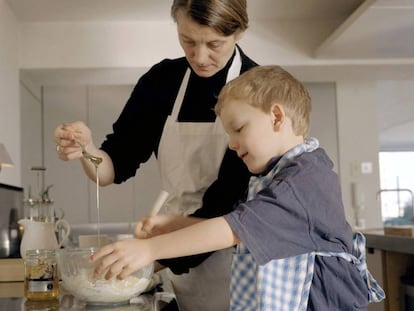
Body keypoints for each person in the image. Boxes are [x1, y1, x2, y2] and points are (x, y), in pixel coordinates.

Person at [91, 65, 385, 310]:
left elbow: (233, 229)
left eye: (239, 129)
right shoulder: (278, 173)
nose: (232, 144)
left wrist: (149, 249)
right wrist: (177, 224)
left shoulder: (303, 181)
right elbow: (244, 228)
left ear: (277, 117)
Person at [53, 1, 257, 310]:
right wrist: (87, 150)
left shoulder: (257, 89)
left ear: (239, 32)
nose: (200, 58)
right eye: (188, 40)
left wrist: (148, 256)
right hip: (176, 259)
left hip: (239, 259)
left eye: (214, 44)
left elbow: (226, 206)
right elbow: (111, 167)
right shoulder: (162, 82)